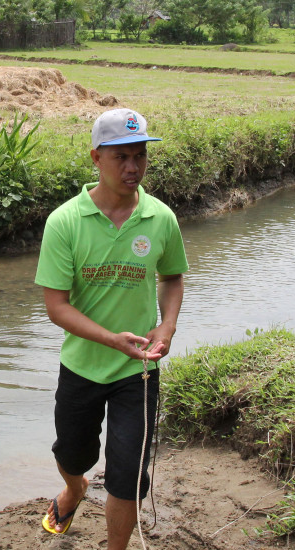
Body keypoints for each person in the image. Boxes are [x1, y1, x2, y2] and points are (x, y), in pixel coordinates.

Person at [33, 109, 187, 548]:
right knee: (72, 454)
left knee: (126, 473)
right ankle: (76, 488)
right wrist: (111, 340)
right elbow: (56, 307)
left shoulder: (161, 219)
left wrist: (167, 326)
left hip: (136, 373)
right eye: (121, 157)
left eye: (140, 156)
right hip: (81, 366)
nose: (133, 167)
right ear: (96, 158)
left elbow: (172, 276)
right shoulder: (65, 222)